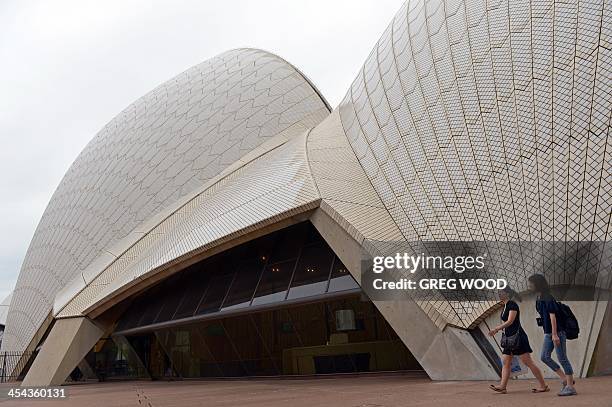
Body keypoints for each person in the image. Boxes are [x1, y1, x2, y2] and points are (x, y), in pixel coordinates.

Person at [488, 287, 548, 394]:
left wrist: (496, 329)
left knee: (528, 362)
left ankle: (543, 386)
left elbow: (510, 321)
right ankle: (503, 386)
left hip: (518, 338)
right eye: (498, 292)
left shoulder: (512, 304)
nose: (499, 294)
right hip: (508, 339)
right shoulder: (505, 306)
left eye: (501, 292)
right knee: (506, 362)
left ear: (507, 293)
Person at [528, 274, 577, 397]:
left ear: (537, 284)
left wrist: (555, 334)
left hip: (557, 332)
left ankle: (570, 387)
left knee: (562, 358)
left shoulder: (547, 297)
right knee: (544, 356)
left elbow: (553, 316)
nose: (529, 286)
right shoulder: (539, 298)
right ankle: (565, 379)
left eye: (531, 284)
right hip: (548, 333)